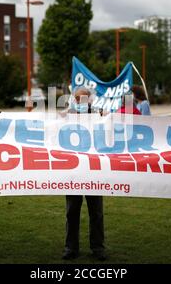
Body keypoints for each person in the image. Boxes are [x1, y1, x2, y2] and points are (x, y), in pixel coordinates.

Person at [62, 86, 106, 261]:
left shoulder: (98, 115)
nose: (82, 102)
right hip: (73, 172)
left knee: (96, 212)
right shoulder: (68, 116)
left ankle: (98, 248)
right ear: (74, 99)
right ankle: (70, 248)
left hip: (94, 171)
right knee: (72, 211)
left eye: (85, 99)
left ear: (90, 100)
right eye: (78, 99)